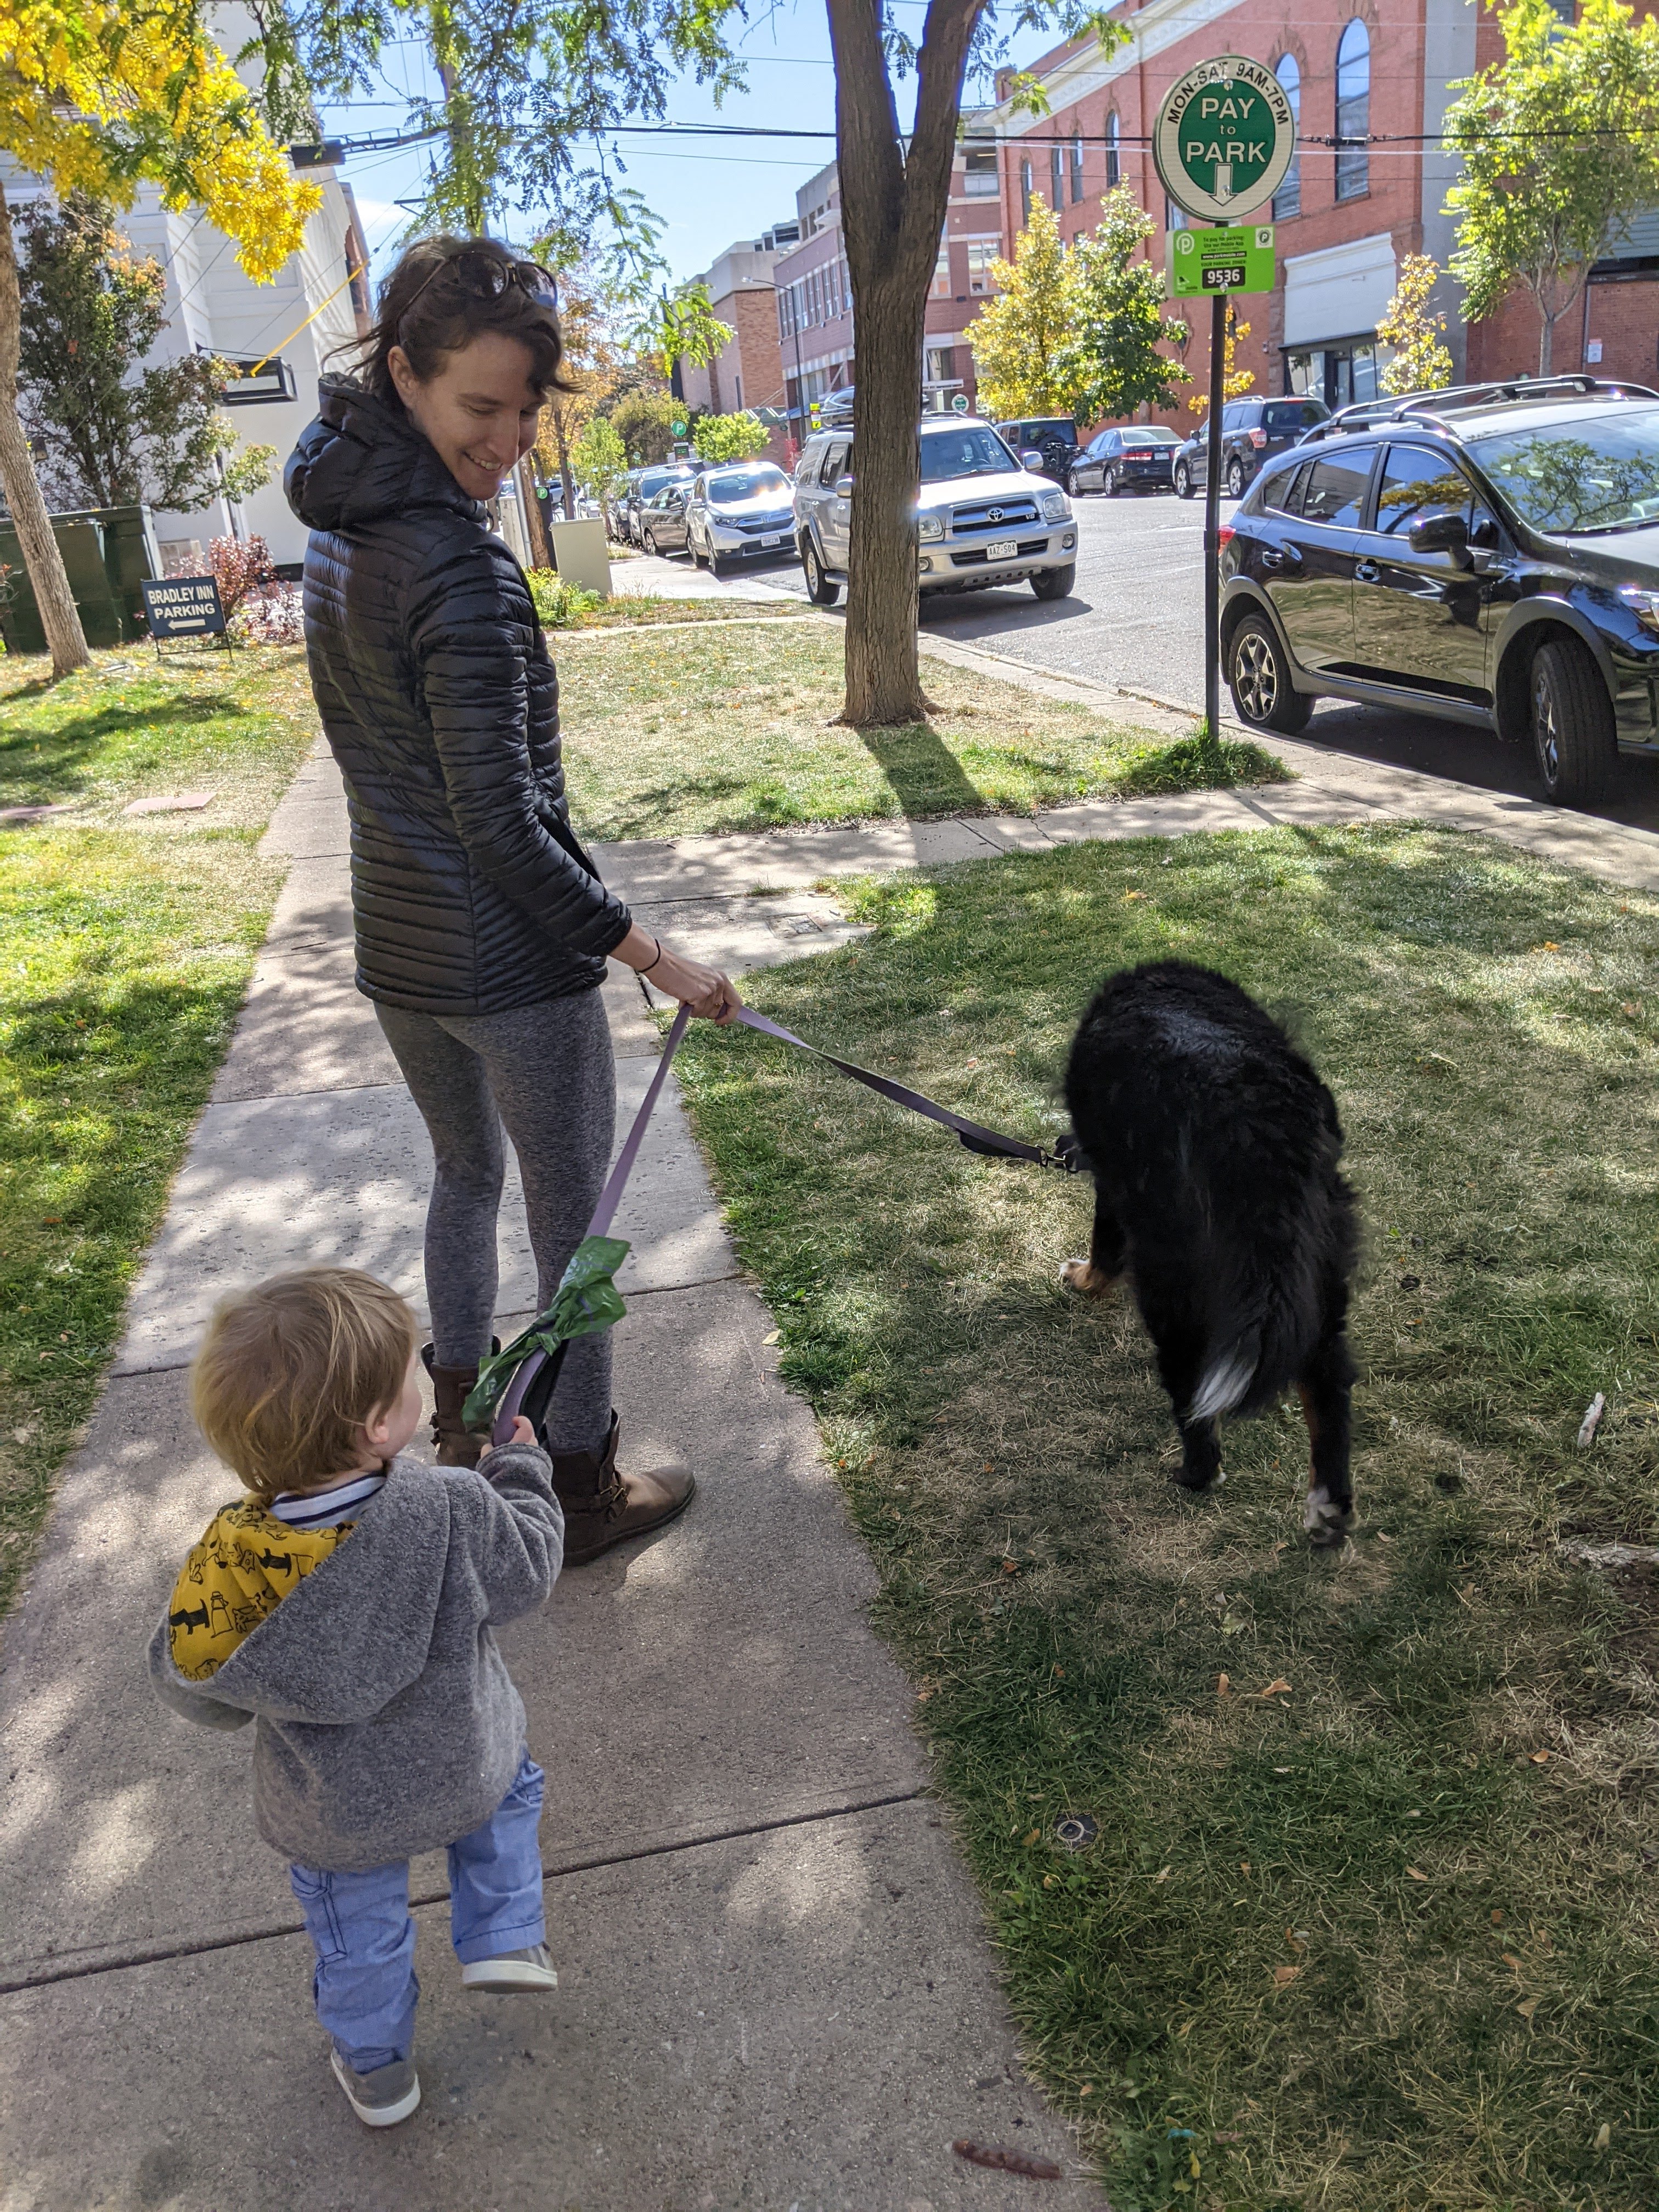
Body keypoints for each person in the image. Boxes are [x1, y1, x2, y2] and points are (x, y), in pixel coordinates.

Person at [284, 234, 741, 1563]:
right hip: (504, 965)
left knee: (462, 1173)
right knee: (574, 1224)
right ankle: (578, 1486)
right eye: (482, 406)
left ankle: (466, 1432)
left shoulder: (340, 527)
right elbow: (504, 824)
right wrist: (654, 955)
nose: (512, 437)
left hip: (400, 954)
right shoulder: (461, 570)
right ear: (406, 376)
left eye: (528, 407)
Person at [148, 1268, 565, 2129]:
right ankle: (503, 1933)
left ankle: (378, 2071)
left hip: (336, 1814)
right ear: (379, 1425)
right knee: (511, 1791)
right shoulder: (453, 1506)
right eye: (408, 1376)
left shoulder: (233, 1562)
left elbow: (196, 1685)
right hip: (462, 1762)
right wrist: (520, 1470)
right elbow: (528, 1572)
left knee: (357, 1937)